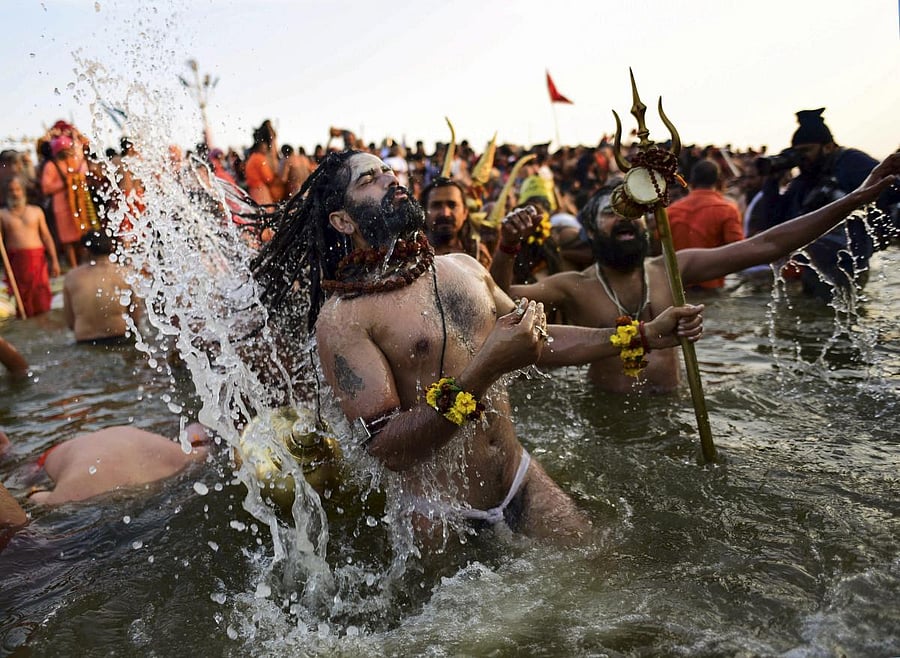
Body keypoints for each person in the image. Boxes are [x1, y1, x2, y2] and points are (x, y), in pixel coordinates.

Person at [251, 150, 704, 543]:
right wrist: (485, 368)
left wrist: (645, 335)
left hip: (516, 477)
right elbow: (386, 448)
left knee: (605, 573)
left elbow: (538, 341)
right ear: (343, 220)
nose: (390, 178)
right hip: (438, 514)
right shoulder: (345, 317)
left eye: (388, 171)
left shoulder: (464, 267)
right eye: (368, 180)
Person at [491, 152, 900, 394]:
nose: (624, 220)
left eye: (632, 214)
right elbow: (499, 301)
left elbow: (768, 245)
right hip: (609, 421)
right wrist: (507, 247)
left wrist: (857, 197)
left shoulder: (674, 267)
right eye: (610, 214)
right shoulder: (573, 286)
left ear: (650, 224)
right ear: (592, 229)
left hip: (674, 413)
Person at [757, 108, 900, 300]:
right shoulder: (803, 180)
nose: (803, 158)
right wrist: (771, 182)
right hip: (810, 264)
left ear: (828, 146)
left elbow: (891, 189)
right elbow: (774, 222)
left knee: (839, 317)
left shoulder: (851, 162)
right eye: (798, 153)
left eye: (807, 151)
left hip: (847, 262)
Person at [22, 423, 210, 505]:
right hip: (159, 455)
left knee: (38, 499)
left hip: (87, 482)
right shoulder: (112, 437)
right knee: (201, 454)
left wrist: (33, 493)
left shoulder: (54, 461)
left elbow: (36, 501)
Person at [668, 159, 744, 289]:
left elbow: (658, 249)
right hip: (711, 287)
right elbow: (739, 252)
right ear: (719, 181)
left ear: (691, 181)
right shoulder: (727, 210)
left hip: (677, 288)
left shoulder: (670, 211)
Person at [63, 230, 141, 343]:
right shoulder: (125, 273)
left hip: (86, 340)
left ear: (85, 251)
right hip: (120, 336)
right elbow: (136, 318)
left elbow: (70, 322)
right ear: (112, 248)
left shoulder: (71, 277)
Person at [0, 176, 61, 316]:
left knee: (42, 297)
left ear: (23, 191)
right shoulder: (3, 215)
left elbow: (46, 237)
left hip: (37, 260)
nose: (15, 193)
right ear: (6, 193)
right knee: (20, 300)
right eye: (11, 190)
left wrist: (55, 261)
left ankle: (42, 324)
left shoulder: (36, 211)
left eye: (17, 190)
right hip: (16, 262)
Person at [40, 135, 93, 269]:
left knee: (83, 236)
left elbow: (84, 175)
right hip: (62, 207)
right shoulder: (51, 166)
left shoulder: (76, 161)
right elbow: (46, 188)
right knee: (67, 240)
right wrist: (65, 184)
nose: (66, 153)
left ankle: (85, 265)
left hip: (78, 203)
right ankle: (75, 267)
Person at [420, 176, 492, 268]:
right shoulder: (411, 255)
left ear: (465, 212)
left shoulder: (478, 254)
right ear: (424, 212)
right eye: (436, 206)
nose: (445, 213)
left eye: (452, 205)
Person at [244, 120, 285, 208]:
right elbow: (268, 178)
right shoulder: (260, 158)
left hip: (254, 189)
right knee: (267, 211)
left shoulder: (253, 157)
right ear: (262, 145)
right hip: (260, 189)